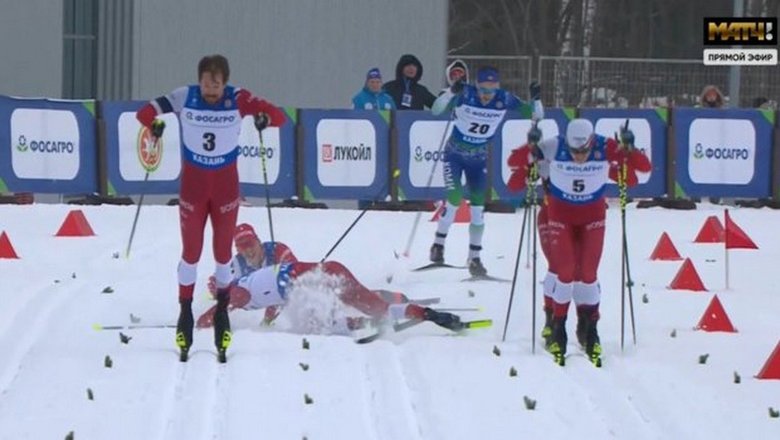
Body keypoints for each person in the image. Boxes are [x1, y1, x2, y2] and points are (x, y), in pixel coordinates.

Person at [136, 54, 286, 361]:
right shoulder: (185, 96)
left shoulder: (238, 97)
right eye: (206, 82)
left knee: (221, 255)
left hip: (225, 190)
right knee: (190, 252)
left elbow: (279, 116)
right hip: (193, 188)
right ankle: (185, 313)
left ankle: (222, 312)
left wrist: (264, 119)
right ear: (199, 80)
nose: (211, 89)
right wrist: (154, 124)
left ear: (225, 83)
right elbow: (144, 112)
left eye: (216, 84)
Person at [506, 118, 651, 366]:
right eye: (574, 152)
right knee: (564, 271)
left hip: (592, 218)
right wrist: (531, 147)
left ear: (591, 142)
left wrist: (629, 149)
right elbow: (514, 170)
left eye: (584, 151)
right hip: (559, 216)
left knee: (588, 273)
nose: (579, 157)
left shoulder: (605, 147)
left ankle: (589, 327)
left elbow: (640, 172)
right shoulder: (552, 147)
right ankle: (557, 326)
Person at [196, 224, 466, 332]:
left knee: (322, 322)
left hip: (316, 281)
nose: (248, 249)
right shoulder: (236, 271)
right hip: (321, 278)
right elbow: (223, 295)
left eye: (250, 242)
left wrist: (202, 323)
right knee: (362, 306)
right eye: (242, 246)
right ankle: (427, 314)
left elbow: (223, 307)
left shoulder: (248, 283)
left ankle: (370, 317)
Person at [429, 65, 544, 277]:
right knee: (454, 200)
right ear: (477, 86)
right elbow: (436, 110)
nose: (486, 95)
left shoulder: (505, 99)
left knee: (478, 209)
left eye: (491, 90)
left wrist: (536, 98)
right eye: (483, 90)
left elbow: (537, 116)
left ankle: (474, 258)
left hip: (478, 158)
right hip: (455, 154)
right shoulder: (465, 94)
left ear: (497, 88)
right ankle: (438, 244)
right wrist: (450, 92)